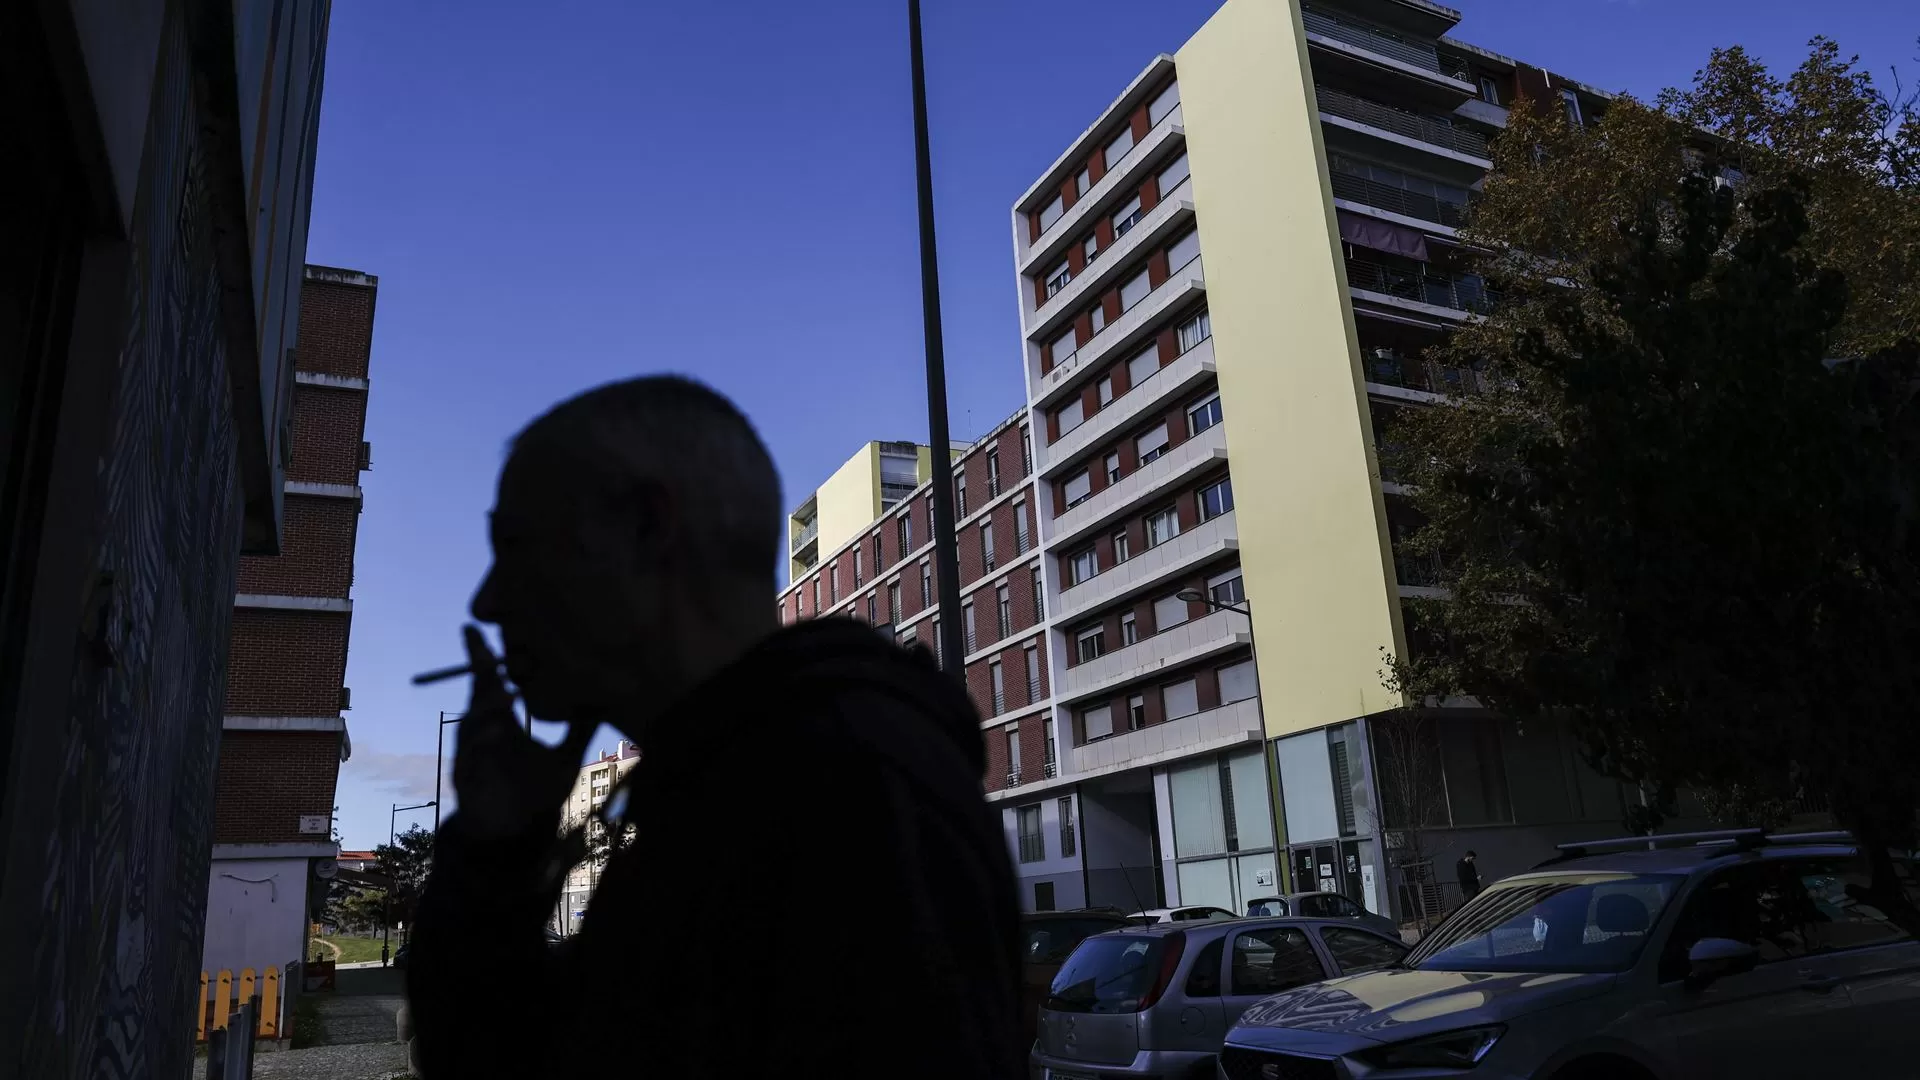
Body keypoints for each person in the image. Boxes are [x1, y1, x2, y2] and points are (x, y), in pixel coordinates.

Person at [407, 377, 1024, 1078]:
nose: (488, 602)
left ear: (647, 528)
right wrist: (493, 852)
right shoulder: (741, 785)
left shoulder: (839, 802)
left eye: (517, 546)